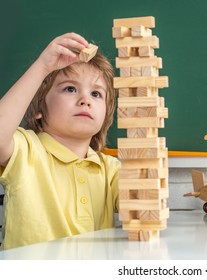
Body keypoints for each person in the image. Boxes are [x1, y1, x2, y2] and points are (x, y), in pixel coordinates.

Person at [0, 32, 120, 250]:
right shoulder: (27, 151)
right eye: (70, 89)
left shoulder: (110, 170)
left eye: (96, 94)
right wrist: (43, 67)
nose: (85, 100)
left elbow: (142, 206)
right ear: (38, 109)